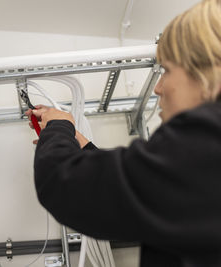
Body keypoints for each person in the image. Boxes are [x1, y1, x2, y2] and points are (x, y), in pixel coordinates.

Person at [26, 0, 221, 266]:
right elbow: (145, 190)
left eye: (167, 71)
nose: (158, 88)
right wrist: (79, 144)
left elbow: (64, 186)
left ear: (204, 71)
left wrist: (60, 127)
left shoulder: (206, 141)